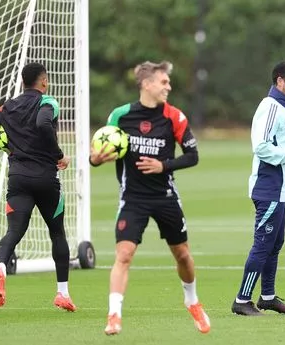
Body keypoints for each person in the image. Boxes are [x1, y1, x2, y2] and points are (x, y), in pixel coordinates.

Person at [89, 61, 210, 335]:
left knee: (182, 255)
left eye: (168, 82)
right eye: (164, 82)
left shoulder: (175, 117)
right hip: (132, 198)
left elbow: (193, 156)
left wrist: (163, 166)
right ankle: (114, 315)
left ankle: (192, 300)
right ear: (147, 84)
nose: (169, 86)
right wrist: (94, 159)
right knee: (124, 255)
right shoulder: (120, 116)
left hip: (166, 197)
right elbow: (101, 150)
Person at [0, 62, 76, 311]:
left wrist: (6, 146)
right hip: (45, 179)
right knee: (57, 233)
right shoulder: (49, 102)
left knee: (14, 231)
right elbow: (43, 124)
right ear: (44, 81)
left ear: (22, 82)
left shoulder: (9, 106)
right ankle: (62, 293)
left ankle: (0, 266)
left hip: (18, 177)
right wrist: (59, 155)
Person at [231, 61, 285, 316]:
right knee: (263, 244)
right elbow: (261, 146)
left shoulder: (282, 108)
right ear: (279, 81)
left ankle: (267, 297)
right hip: (268, 188)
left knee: (275, 243)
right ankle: (242, 300)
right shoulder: (270, 107)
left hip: (280, 189)